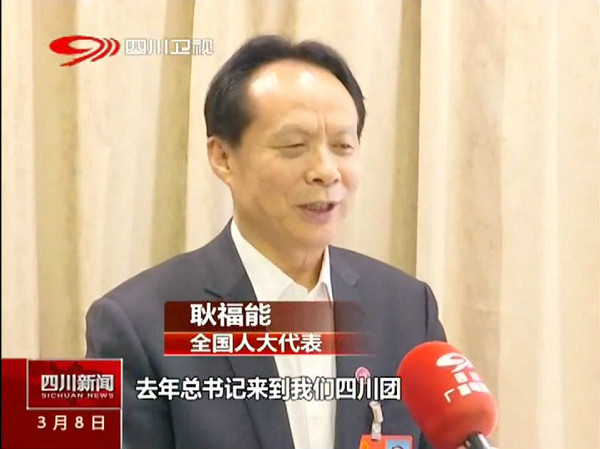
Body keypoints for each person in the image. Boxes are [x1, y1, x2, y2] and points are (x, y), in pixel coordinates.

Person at [85, 35, 447, 449]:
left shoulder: (406, 309)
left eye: (343, 146)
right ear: (223, 158)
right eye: (294, 146)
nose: (326, 171)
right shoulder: (139, 324)